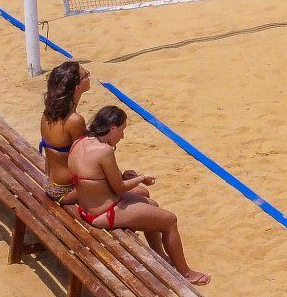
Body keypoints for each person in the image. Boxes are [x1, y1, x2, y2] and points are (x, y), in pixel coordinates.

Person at [68, 105, 208, 285]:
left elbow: (97, 177)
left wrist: (125, 176)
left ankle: (160, 256)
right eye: (122, 130)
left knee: (152, 206)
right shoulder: (104, 151)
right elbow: (119, 188)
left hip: (90, 206)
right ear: (113, 128)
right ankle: (186, 274)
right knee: (170, 220)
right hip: (104, 213)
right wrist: (141, 178)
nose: (122, 136)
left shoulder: (79, 142)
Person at [38, 59, 90, 203]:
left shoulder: (48, 113)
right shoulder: (74, 120)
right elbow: (86, 159)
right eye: (86, 75)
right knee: (139, 192)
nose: (89, 77)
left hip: (50, 182)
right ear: (77, 87)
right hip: (66, 189)